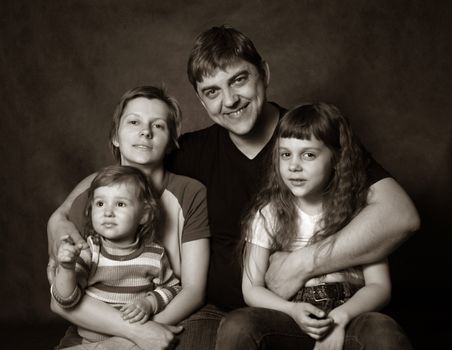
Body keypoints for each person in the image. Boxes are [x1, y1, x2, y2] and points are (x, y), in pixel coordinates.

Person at [163, 25, 420, 348]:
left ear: (265, 74)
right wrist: (75, 221)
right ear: (201, 101)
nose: (229, 100)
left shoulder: (311, 138)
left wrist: (301, 264)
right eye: (212, 92)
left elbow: (401, 216)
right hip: (223, 312)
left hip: (340, 309)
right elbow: (123, 181)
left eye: (239, 80)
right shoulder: (191, 152)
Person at [215, 103, 413, 349]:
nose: (294, 165)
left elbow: (379, 286)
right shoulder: (269, 213)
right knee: (238, 325)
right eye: (285, 154)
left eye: (308, 154)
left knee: (383, 333)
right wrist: (292, 310)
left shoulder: (359, 211)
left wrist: (340, 318)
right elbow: (252, 289)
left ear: (337, 160)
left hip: (350, 314)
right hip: (291, 316)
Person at [47, 86, 210, 350]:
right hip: (95, 325)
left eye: (158, 126)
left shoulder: (189, 192)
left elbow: (192, 290)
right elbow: (61, 297)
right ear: (115, 136)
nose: (145, 131)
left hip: (165, 315)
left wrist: (137, 337)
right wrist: (134, 334)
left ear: (171, 143)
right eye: (134, 122)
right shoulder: (93, 195)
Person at [52, 165, 182, 347]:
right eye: (100, 203)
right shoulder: (89, 251)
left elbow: (173, 289)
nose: (107, 212)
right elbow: (66, 299)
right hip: (85, 340)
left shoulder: (154, 255)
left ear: (144, 215)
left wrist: (149, 302)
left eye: (120, 204)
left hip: (132, 342)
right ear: (91, 210)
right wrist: (66, 269)